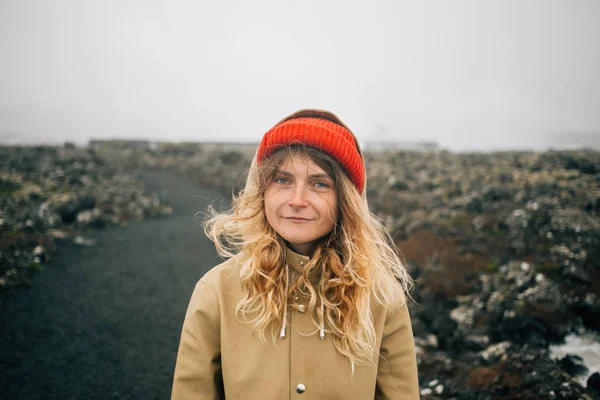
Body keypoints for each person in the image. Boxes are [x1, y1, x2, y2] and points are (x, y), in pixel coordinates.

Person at [171, 109, 419, 399]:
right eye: (282, 180)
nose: (297, 200)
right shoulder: (216, 291)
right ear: (261, 190)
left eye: (320, 183)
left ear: (347, 200)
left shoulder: (381, 298)